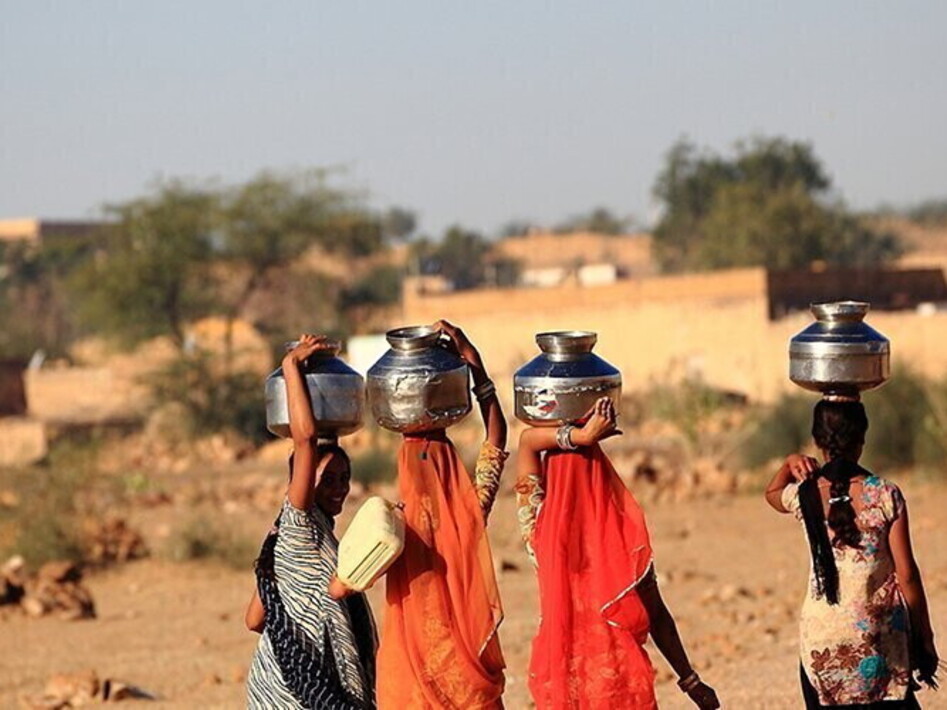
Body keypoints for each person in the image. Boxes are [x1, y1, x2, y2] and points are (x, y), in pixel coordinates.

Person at [516, 397, 720, 710]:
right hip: (618, 686)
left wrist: (574, 437)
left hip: (561, 684)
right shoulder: (624, 544)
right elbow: (658, 617)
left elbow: (527, 442)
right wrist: (689, 680)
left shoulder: (539, 535)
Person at [765, 398, 940, 709]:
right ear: (862, 439)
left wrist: (789, 462)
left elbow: (772, 494)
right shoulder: (885, 493)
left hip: (822, 642)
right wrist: (924, 637)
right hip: (879, 639)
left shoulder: (805, 494)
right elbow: (907, 574)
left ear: (818, 441)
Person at [376, 320, 508, 709]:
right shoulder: (468, 513)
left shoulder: (393, 529)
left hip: (414, 675)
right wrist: (476, 368)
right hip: (466, 669)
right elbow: (496, 443)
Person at [245, 334, 377, 710]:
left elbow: (254, 619)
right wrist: (291, 368)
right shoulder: (298, 522)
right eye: (327, 479)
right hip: (295, 691)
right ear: (300, 483)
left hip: (277, 683)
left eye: (343, 478)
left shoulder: (287, 538)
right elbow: (304, 442)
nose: (339, 489)